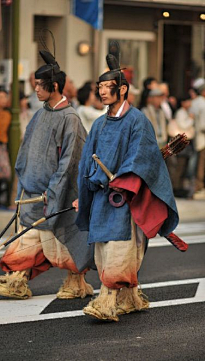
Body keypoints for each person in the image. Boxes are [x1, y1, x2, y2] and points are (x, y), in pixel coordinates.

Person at [73, 45, 179, 322]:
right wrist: (81, 193)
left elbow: (142, 159)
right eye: (100, 86)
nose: (102, 91)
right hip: (100, 198)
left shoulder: (138, 121)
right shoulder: (98, 124)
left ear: (122, 90)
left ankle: (106, 301)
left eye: (108, 87)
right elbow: (86, 164)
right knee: (102, 249)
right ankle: (130, 298)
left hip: (123, 199)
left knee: (120, 249)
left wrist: (124, 182)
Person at [0, 43, 94, 300]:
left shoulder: (70, 118)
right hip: (32, 193)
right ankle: (17, 279)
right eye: (35, 84)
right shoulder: (39, 115)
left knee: (65, 238)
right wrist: (23, 183)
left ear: (55, 86)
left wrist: (54, 192)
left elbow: (70, 162)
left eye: (39, 85)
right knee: (27, 236)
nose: (35, 89)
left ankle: (75, 281)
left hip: (55, 194)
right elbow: (25, 153)